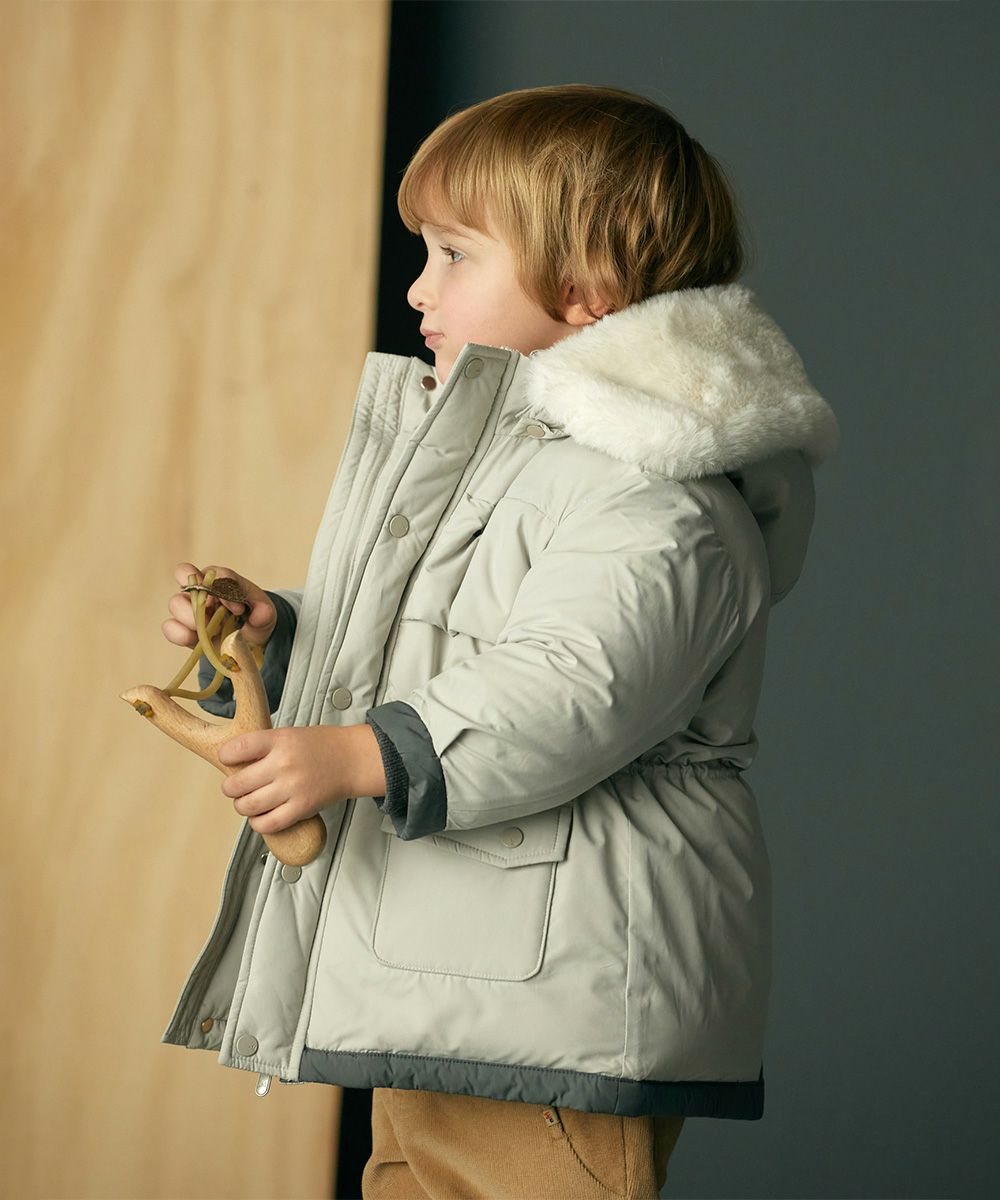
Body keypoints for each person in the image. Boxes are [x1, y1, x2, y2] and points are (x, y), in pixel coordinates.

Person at [159, 84, 839, 1198]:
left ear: (585, 287)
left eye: (454, 254)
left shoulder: (657, 493)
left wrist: (362, 754)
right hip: (460, 963)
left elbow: (570, 687)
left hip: (560, 994)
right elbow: (446, 642)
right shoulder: (527, 469)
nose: (418, 288)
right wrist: (282, 635)